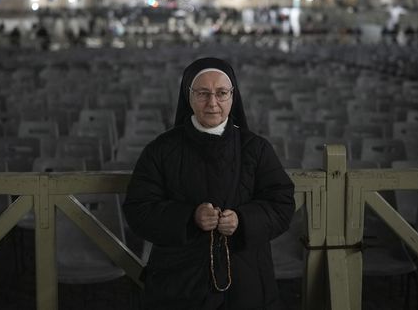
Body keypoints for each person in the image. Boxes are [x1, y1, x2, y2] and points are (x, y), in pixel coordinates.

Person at [123, 57, 295, 310]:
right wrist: (189, 217)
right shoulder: (161, 150)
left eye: (221, 93)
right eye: (203, 93)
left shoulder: (256, 149)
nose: (212, 103)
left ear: (233, 96)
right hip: (178, 281)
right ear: (188, 96)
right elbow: (139, 208)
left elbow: (282, 203)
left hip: (246, 279)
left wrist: (243, 220)